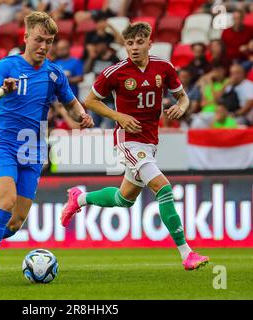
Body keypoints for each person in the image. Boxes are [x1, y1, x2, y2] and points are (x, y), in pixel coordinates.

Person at [60, 22, 209, 271]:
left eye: (140, 42)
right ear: (125, 46)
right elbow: (90, 101)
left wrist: (180, 108)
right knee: (164, 189)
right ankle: (187, 253)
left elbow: (183, 98)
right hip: (128, 141)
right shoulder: (115, 73)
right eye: (130, 43)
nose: (135, 48)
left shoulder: (164, 67)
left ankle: (79, 198)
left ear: (149, 43)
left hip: (150, 141)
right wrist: (119, 117)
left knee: (124, 199)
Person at [0, 12, 94, 284]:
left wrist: (82, 115)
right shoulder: (7, 67)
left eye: (49, 41)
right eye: (39, 39)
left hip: (34, 149)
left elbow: (71, 103)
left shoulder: (54, 73)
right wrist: (3, 91)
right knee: (6, 202)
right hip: (4, 143)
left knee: (14, 225)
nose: (43, 46)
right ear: (26, 37)